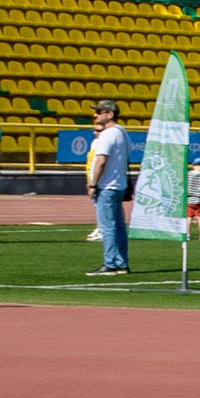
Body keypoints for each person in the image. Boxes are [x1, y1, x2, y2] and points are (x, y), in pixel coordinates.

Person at [85, 100, 132, 276]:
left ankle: (110, 263)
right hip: (119, 184)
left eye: (99, 112)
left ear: (109, 114)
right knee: (118, 226)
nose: (95, 115)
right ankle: (121, 263)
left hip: (106, 186)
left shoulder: (108, 134)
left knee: (107, 226)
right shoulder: (123, 133)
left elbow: (101, 160)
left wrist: (93, 183)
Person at [186, 158, 200, 241]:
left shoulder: (188, 175)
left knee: (189, 216)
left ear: (193, 165)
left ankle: (187, 234)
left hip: (189, 198)